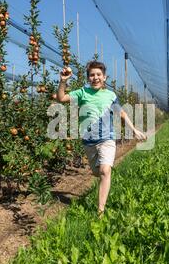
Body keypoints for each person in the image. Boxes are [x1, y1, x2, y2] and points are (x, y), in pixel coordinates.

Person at [57, 61, 146, 218]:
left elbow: (121, 113)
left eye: (98, 74)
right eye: (92, 75)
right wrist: (63, 81)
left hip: (107, 138)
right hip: (89, 140)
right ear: (88, 78)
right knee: (97, 172)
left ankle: (100, 211)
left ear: (104, 77)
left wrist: (134, 130)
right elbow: (61, 98)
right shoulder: (82, 92)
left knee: (105, 170)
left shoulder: (111, 95)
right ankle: (102, 173)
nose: (95, 77)